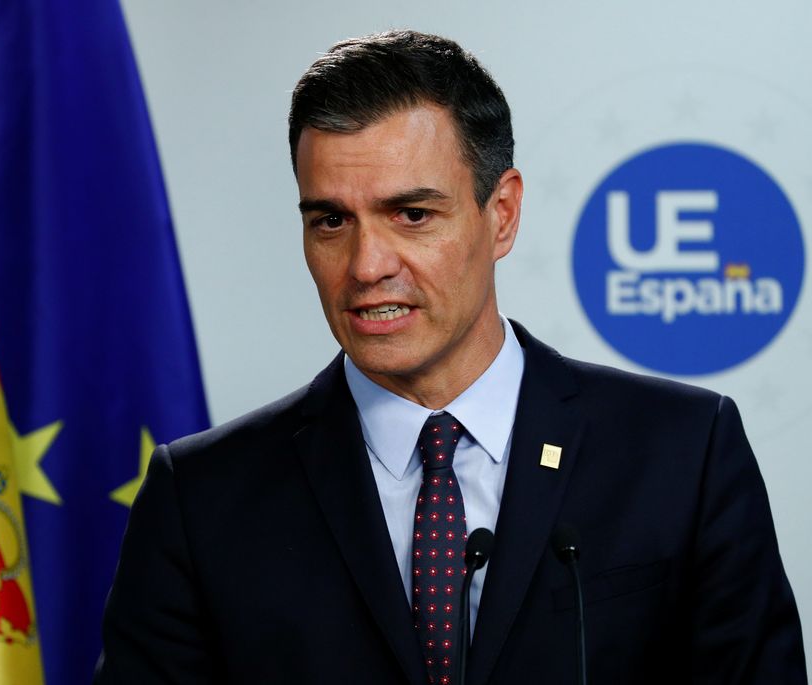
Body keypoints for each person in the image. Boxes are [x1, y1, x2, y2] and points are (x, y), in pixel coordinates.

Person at [94, 30, 805, 684]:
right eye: (331, 221)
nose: (367, 264)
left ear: (501, 214)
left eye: (412, 214)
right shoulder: (204, 496)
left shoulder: (683, 452)